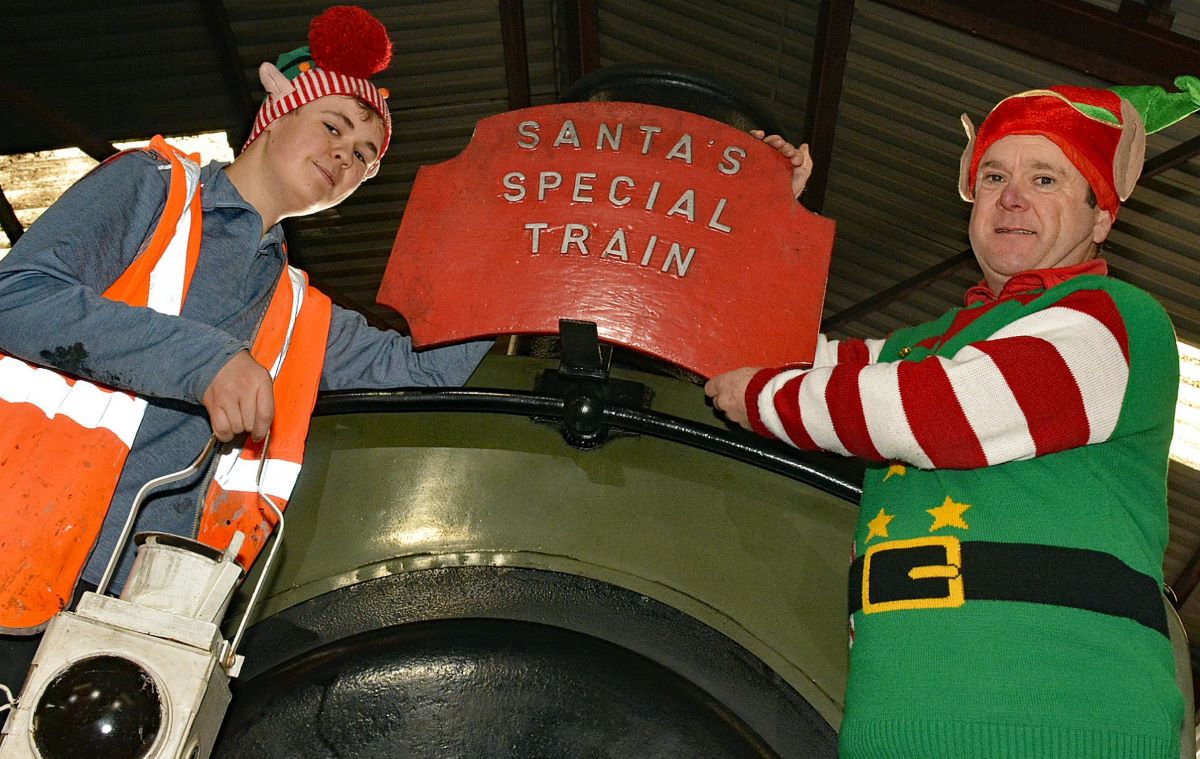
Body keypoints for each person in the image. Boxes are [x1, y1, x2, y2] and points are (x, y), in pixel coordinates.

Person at [0, 6, 490, 692]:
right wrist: (204, 359)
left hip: (134, 612)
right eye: (334, 126)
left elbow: (422, 371)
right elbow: (15, 295)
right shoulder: (153, 186)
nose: (346, 157)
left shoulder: (299, 310)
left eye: (364, 158)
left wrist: (521, 274)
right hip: (17, 549)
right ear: (278, 111)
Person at [708, 79, 1200, 758]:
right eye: (994, 174)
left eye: (1045, 177)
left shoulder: (1115, 317)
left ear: (1100, 218)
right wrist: (756, 212)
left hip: (1071, 726)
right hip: (891, 724)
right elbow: (747, 347)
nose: (1011, 196)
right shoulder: (917, 346)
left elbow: (939, 414)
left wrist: (764, 400)